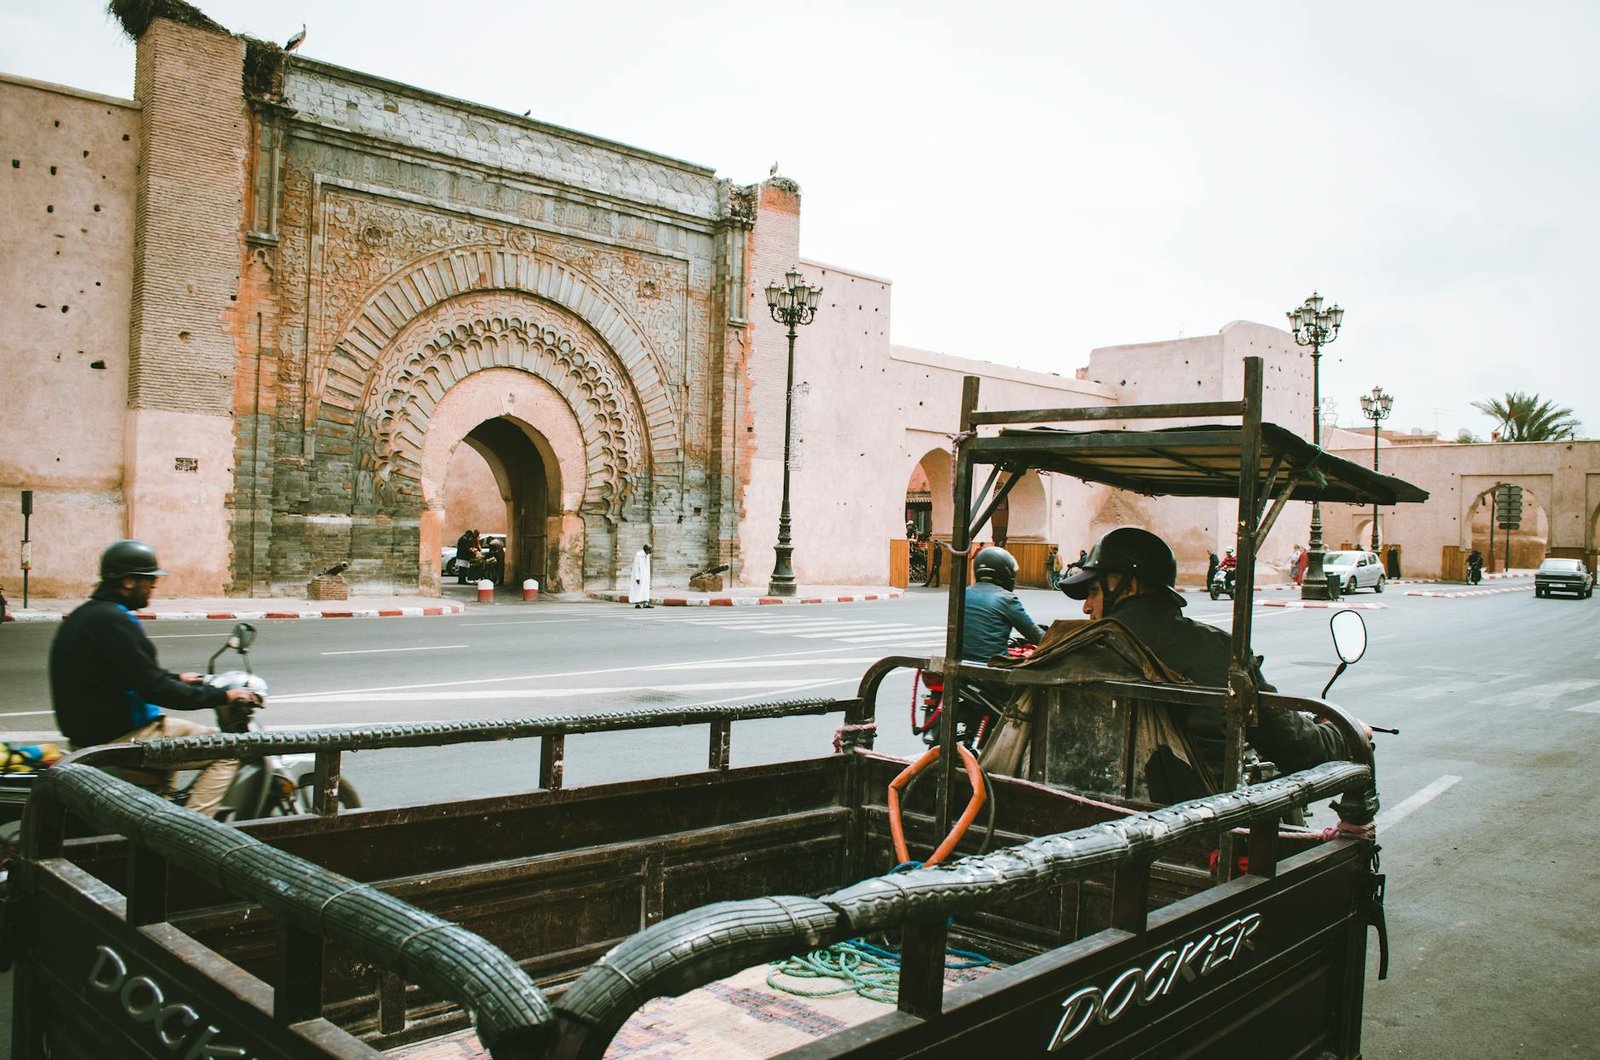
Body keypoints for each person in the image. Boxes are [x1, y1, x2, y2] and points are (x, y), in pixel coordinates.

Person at [1059, 527, 1363, 793]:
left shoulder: (1074, 650)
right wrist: (1343, 735)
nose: (1087, 607)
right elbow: (1294, 746)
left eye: (1094, 591)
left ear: (1129, 586)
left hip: (1088, 803)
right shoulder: (1216, 648)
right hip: (1201, 820)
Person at [49, 540, 257, 818]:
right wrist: (223, 696)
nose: (153, 586)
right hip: (122, 738)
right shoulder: (115, 621)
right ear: (128, 582)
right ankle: (194, 836)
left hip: (89, 736)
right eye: (149, 580)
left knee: (173, 742)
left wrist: (179, 678)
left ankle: (163, 814)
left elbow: (127, 673)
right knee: (228, 749)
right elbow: (156, 690)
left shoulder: (84, 616)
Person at [961, 546, 1043, 662]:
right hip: (992, 666)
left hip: (961, 662)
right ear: (1005, 572)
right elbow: (1034, 634)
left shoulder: (962, 594)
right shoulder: (1006, 598)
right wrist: (1054, 641)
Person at [630, 543, 653, 608]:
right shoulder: (638, 556)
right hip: (639, 576)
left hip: (645, 576)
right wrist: (637, 577)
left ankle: (645, 603)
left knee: (645, 589)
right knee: (638, 589)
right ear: (646, 550)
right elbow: (636, 567)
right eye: (650, 549)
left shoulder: (647, 555)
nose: (651, 551)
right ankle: (637, 604)